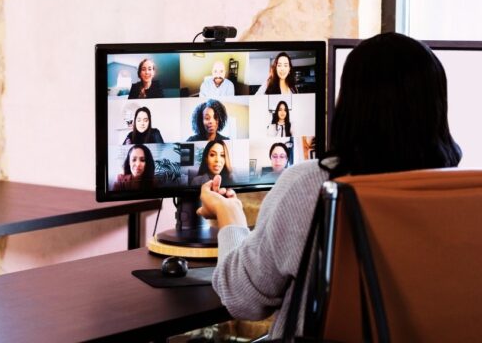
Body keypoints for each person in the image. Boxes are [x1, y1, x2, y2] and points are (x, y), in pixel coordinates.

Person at [196, 32, 461, 339]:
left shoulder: (311, 186)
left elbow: (244, 300)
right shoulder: (458, 196)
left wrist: (230, 217)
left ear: (351, 105)